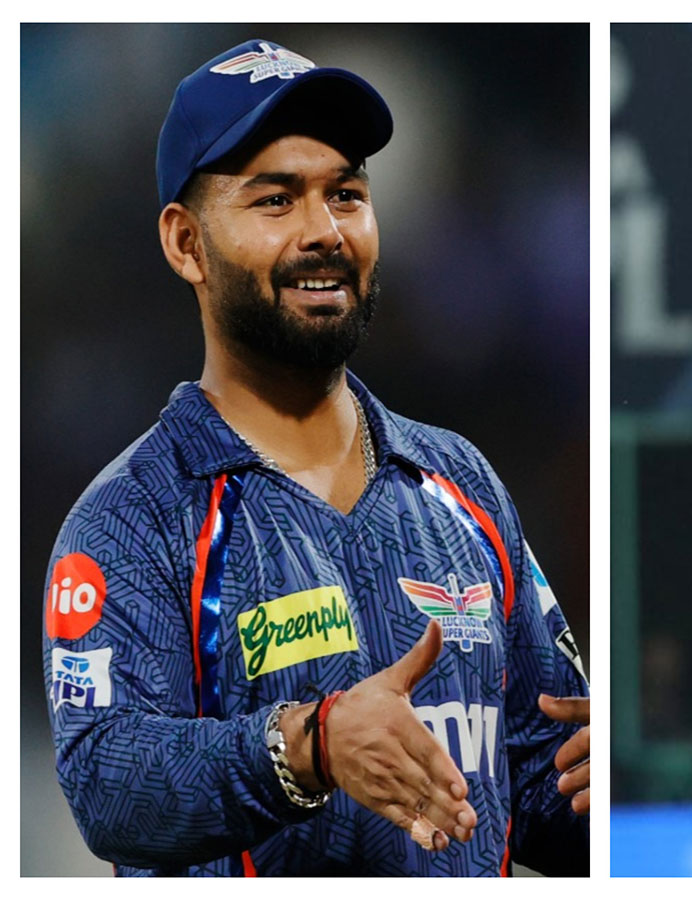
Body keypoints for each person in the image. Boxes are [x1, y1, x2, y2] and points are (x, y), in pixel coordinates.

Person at [41, 38, 589, 877]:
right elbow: (110, 785)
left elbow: (543, 788)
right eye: (276, 200)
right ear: (186, 243)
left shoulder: (462, 484)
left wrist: (602, 784)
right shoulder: (133, 518)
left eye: (346, 194)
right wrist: (312, 748)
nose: (324, 232)